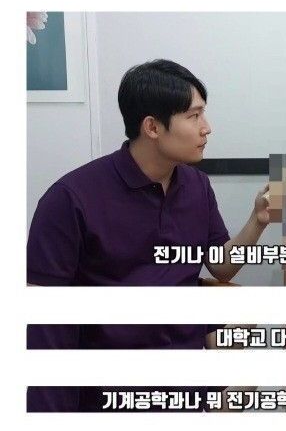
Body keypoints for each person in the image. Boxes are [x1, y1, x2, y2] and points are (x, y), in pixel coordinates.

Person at [27, 59, 270, 286]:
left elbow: (221, 267)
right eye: (194, 116)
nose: (207, 128)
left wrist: (257, 219)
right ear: (152, 127)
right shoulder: (70, 198)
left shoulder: (197, 184)